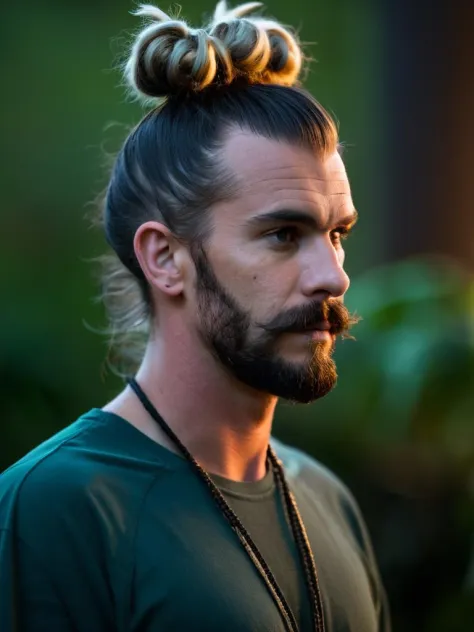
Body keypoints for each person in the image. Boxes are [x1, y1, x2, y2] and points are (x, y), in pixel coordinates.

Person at [0, 2, 391, 630]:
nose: (334, 276)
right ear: (165, 258)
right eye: (284, 235)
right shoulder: (54, 508)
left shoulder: (327, 499)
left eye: (336, 233)